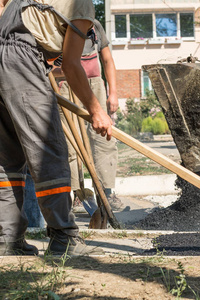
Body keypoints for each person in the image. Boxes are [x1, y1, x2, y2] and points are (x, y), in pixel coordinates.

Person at [0, 0, 112, 256]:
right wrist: (96, 110)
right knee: (48, 150)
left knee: (7, 159)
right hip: (22, 59)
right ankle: (64, 238)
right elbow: (72, 65)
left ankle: (8, 239)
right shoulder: (81, 3)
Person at [54, 19, 124, 212]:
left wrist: (113, 93)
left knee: (104, 138)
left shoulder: (94, 25)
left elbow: (108, 60)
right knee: (72, 142)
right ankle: (79, 194)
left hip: (94, 85)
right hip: (66, 85)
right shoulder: (58, 21)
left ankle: (106, 193)